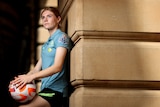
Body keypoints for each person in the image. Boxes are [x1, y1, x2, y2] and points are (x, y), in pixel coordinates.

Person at [9, 6, 73, 107]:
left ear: (58, 19)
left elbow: (57, 67)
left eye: (49, 16)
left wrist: (31, 77)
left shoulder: (62, 37)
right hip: (46, 90)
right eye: (43, 17)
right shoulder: (46, 44)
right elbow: (36, 70)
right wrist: (20, 80)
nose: (45, 19)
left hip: (57, 91)